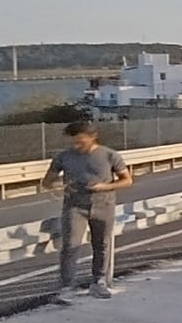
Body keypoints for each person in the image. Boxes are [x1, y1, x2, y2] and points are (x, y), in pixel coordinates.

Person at [43, 119, 133, 300]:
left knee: (102, 245)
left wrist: (104, 186)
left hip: (103, 205)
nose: (76, 145)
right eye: (73, 141)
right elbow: (47, 181)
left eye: (80, 140)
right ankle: (67, 287)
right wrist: (56, 188)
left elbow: (127, 180)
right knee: (70, 245)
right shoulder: (64, 157)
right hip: (75, 206)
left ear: (93, 137)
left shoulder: (109, 155)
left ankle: (98, 282)